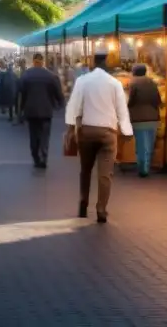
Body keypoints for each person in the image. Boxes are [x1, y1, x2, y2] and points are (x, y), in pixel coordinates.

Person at [64, 53, 132, 223]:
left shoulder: (83, 81)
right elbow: (122, 110)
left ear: (93, 64)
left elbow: (74, 106)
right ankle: (101, 209)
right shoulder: (115, 83)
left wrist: (71, 128)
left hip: (87, 132)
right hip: (108, 133)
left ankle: (83, 203)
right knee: (105, 174)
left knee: (85, 170)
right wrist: (126, 132)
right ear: (108, 65)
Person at [19, 53, 65, 169]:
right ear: (42, 61)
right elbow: (59, 94)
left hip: (31, 111)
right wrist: (59, 104)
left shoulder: (26, 75)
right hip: (46, 110)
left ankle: (36, 157)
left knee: (33, 135)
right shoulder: (51, 76)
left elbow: (22, 93)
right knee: (45, 135)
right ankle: (44, 156)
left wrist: (22, 109)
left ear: (33, 61)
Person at [127, 64, 162, 178]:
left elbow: (131, 101)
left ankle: (143, 169)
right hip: (153, 117)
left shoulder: (133, 83)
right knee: (150, 144)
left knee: (141, 144)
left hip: (139, 118)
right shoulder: (152, 83)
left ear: (134, 72)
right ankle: (147, 165)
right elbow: (158, 100)